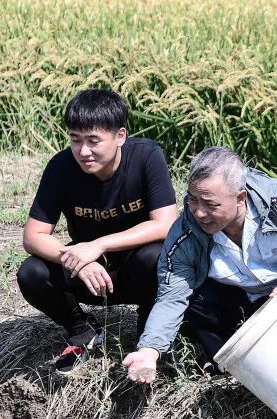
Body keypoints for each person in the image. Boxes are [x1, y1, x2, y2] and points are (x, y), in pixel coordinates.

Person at [123, 146, 277, 383]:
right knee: (192, 301)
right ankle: (230, 366)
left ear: (240, 197)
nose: (200, 213)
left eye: (211, 204)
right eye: (193, 200)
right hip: (235, 301)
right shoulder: (185, 232)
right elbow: (172, 295)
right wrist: (150, 350)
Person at [16, 88, 178, 372]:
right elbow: (33, 236)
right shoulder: (61, 167)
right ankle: (81, 331)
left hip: (137, 272)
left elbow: (165, 224)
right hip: (91, 276)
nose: (83, 151)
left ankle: (148, 336)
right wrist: (77, 260)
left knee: (156, 257)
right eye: (75, 140)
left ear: (120, 136)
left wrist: (99, 244)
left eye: (93, 141)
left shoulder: (146, 157)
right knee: (32, 273)